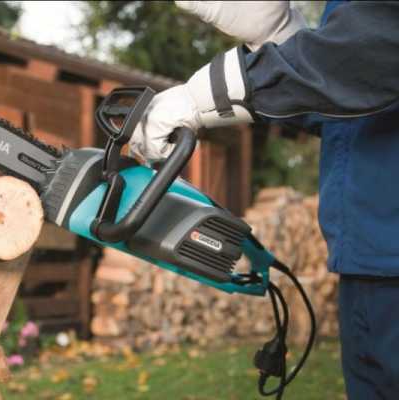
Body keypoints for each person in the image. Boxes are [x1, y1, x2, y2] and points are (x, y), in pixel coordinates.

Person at [129, 1, 399, 399]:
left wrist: (208, 96)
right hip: (366, 263)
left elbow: (375, 52)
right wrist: (280, 37)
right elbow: (350, 100)